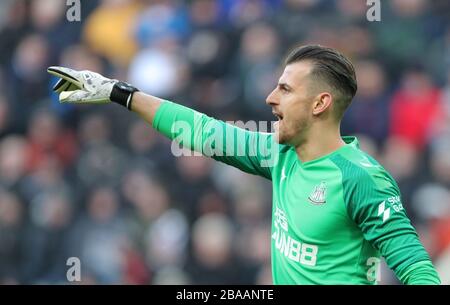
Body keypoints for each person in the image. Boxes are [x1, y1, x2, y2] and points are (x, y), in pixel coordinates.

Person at [47, 44, 441, 284]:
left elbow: (415, 267)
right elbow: (202, 132)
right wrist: (119, 92)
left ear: (321, 104)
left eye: (285, 89)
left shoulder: (361, 178)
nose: (270, 98)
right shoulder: (280, 154)